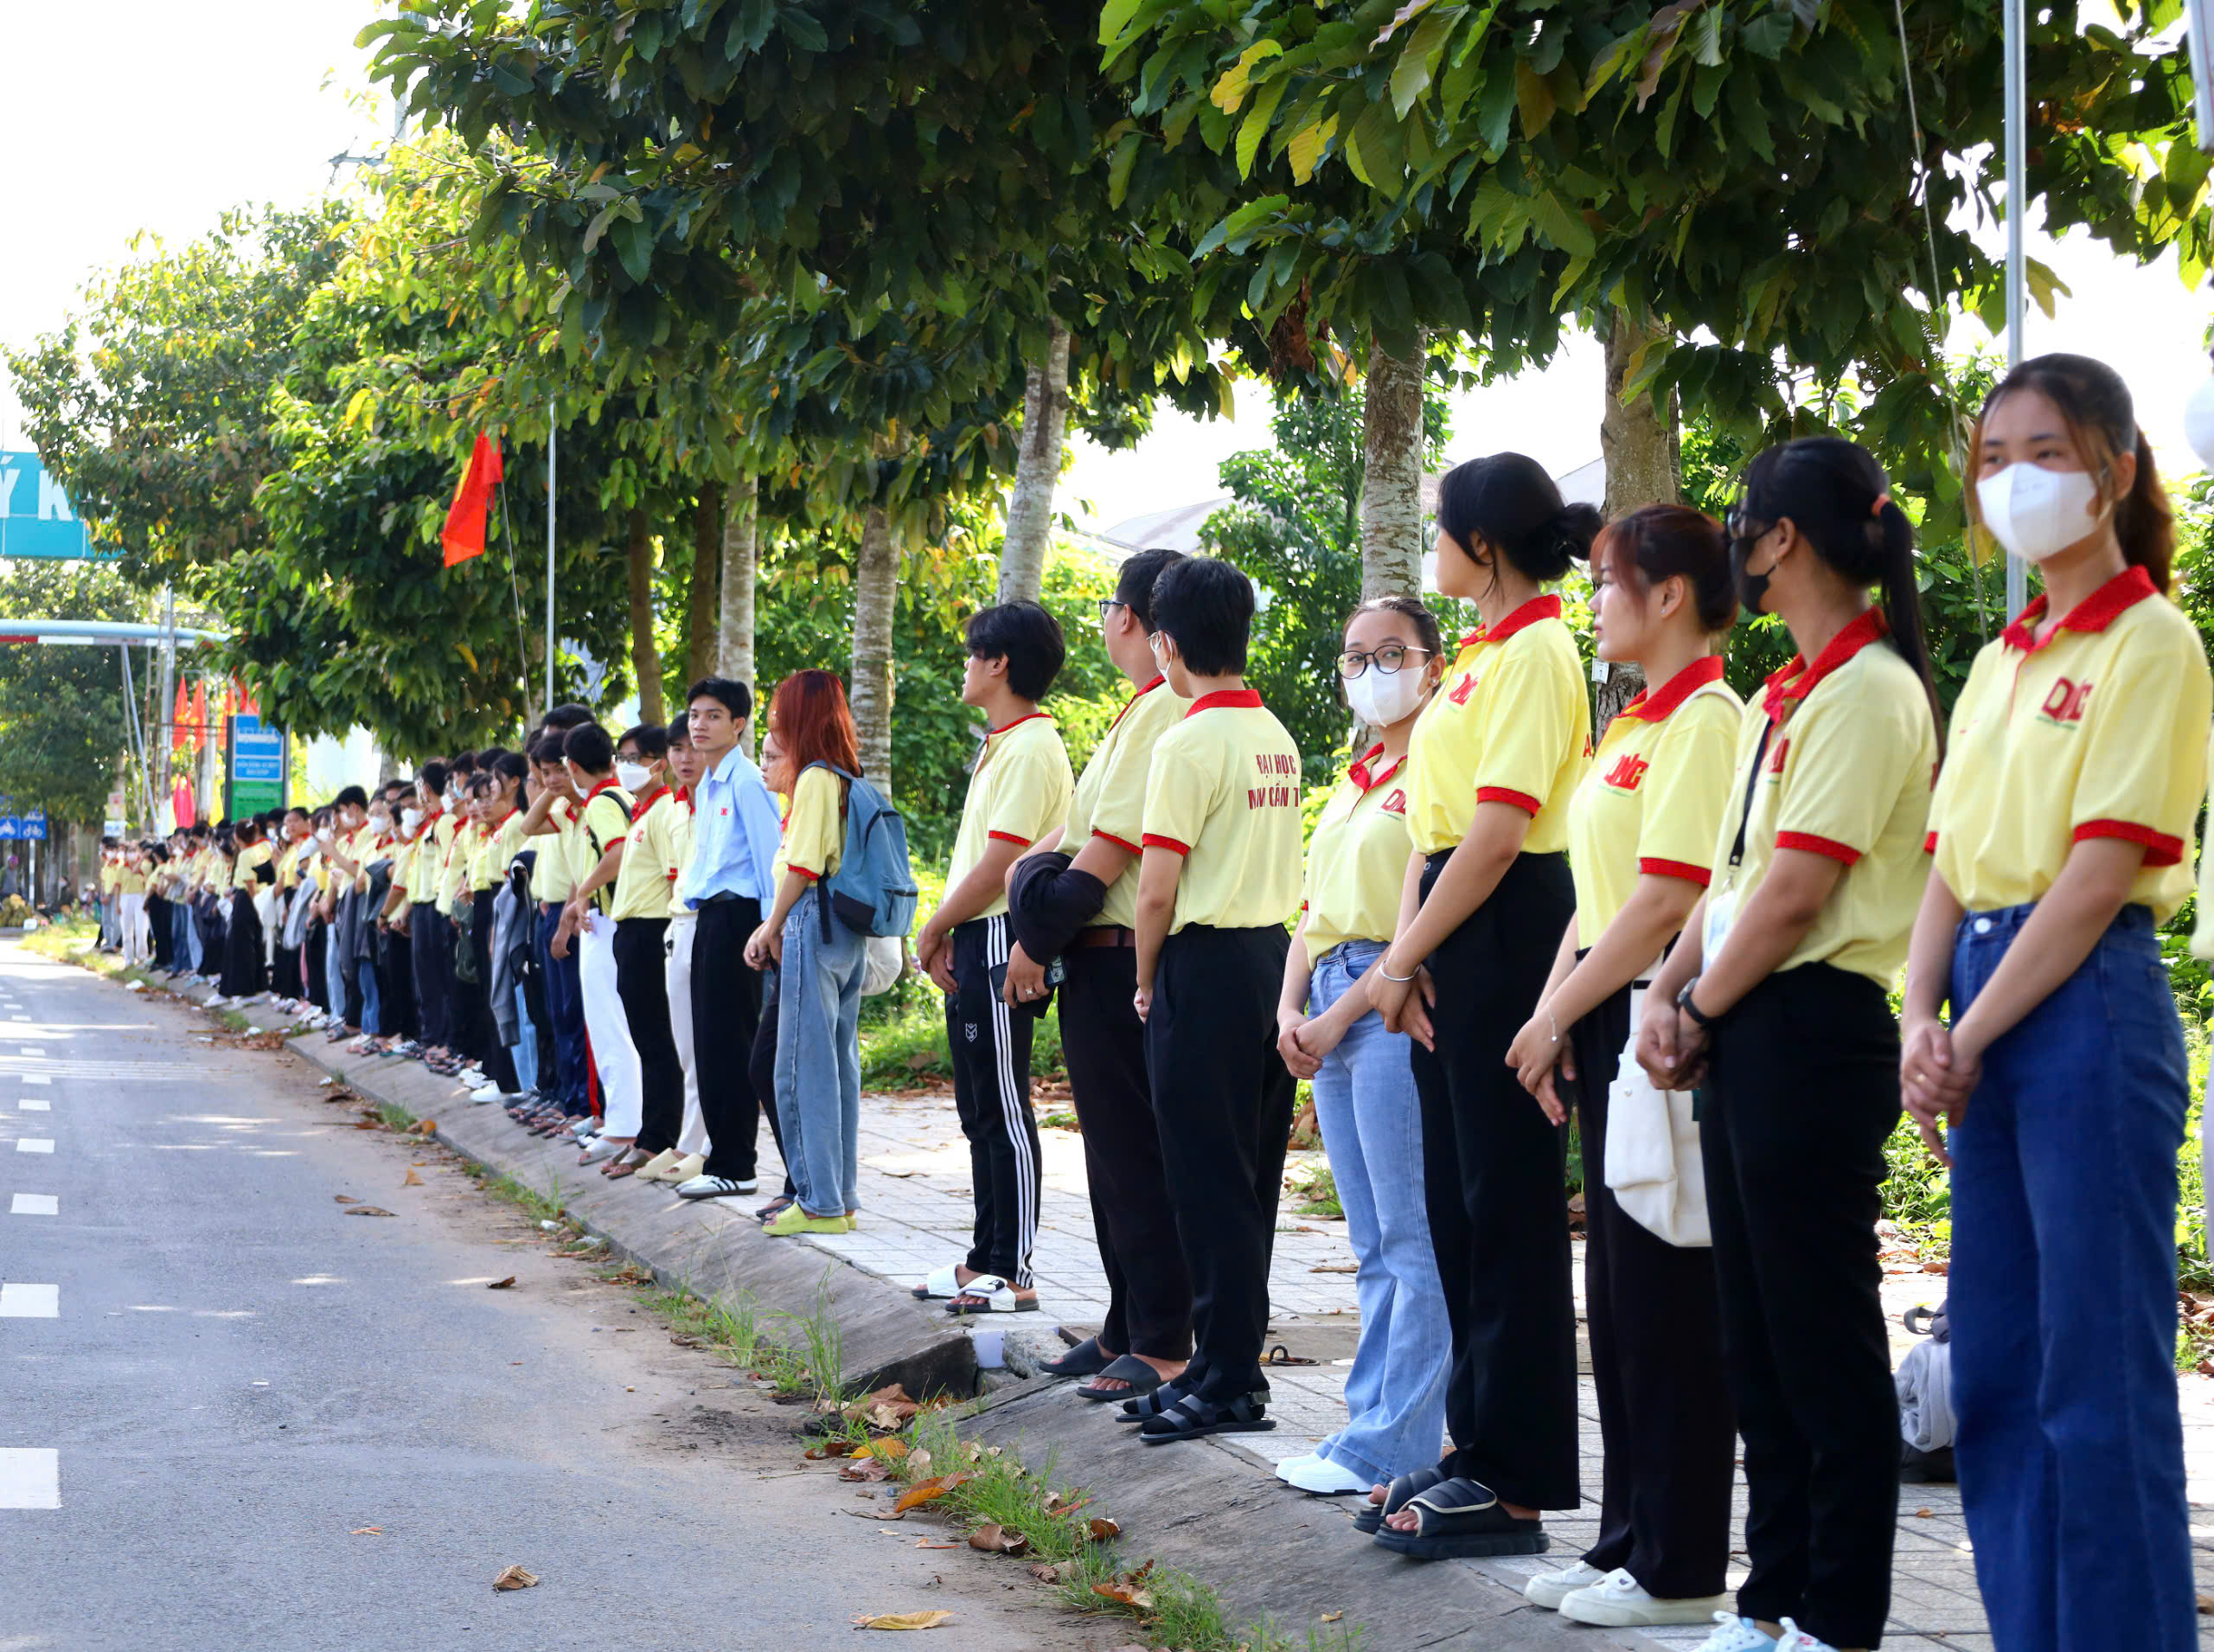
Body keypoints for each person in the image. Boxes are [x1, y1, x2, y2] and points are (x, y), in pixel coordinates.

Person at [1902, 355, 2209, 1652]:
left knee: (2100, 1378)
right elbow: (1948, 860)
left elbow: (2094, 875)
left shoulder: (2153, 643)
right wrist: (1921, 1016)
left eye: (2046, 449)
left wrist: (1963, 1035)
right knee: (2004, 1371)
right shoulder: (1995, 661)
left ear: (2116, 469)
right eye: (1993, 456)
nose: (2015, 477)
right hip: (1977, 987)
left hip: (2082, 998)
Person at [1638, 436, 1941, 1652]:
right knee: (1755, 1336)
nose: (1736, 546)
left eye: (1742, 524)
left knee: (1820, 1339)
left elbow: (1798, 890)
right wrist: (1671, 993)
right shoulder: (1793, 692)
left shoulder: (1871, 690)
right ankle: (1769, 1596)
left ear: (1783, 541)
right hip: (1751, 1021)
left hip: (1814, 1029)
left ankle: (1838, 1611)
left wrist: (1696, 1010)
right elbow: (1731, 879)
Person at [1505, 506, 1743, 1628]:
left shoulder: (1707, 717)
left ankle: (1683, 1563)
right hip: (1605, 1010)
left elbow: (1664, 899)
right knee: (1618, 1295)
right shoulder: (1631, 723)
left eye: (1611, 581)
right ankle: (1627, 1539)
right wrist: (1553, 1013)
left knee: (1668, 1302)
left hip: (1661, 1016)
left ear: (1674, 595)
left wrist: (1564, 1013)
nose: (1596, 599)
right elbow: (1598, 898)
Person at [1366, 453, 1596, 1557]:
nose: (1431, 545)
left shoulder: (1542, 650)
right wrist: (1416, 953)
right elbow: (1436, 825)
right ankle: (1473, 1446)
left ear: (1485, 545)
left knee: (1505, 1210)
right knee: (1458, 1209)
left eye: (1440, 528)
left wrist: (1401, 959)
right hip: (1456, 919)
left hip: (1505, 921)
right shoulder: (1480, 658)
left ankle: (1518, 1480)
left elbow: (1501, 834)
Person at [1272, 596, 1451, 1497]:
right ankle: (1368, 1424)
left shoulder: (1439, 767)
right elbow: (1313, 907)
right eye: (1355, 657)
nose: (1374, 672)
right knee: (1371, 1237)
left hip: (1385, 1000)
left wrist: (1337, 1016)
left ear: (1433, 661)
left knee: (1409, 1233)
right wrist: (1288, 1005)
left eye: (1392, 653)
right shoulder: (1355, 775)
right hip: (1328, 994)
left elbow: (1414, 910)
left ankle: (1398, 1441)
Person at [1123, 554, 1302, 1444]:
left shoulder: (1186, 740)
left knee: (1204, 1182)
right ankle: (1220, 1360)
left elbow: (1155, 890)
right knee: (1250, 1176)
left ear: (1166, 642)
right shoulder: (1273, 732)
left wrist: (1147, 976)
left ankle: (1229, 1375)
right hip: (1269, 958)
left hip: (1202, 963)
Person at [1008, 548, 1195, 1401]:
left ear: (1127, 617)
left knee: (1136, 1155)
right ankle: (1127, 1320)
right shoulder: (1140, 709)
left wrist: (1033, 937)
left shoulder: (1163, 710)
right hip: (1097, 956)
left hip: (1119, 952)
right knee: (1113, 1157)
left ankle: (1160, 1338)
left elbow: (1107, 856)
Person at [912, 602, 1074, 1316]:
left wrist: (933, 927)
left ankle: (1016, 1269)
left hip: (1002, 936)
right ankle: (985, 1257)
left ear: (999, 662)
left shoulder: (1036, 744)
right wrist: (950, 929)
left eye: (973, 654)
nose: (966, 666)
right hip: (975, 936)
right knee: (979, 1105)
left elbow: (1003, 858)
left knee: (1005, 1105)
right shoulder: (1001, 743)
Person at [744, 671, 867, 1235]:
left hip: (812, 925)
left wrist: (770, 926)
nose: (774, 719)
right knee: (837, 1066)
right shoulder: (845, 775)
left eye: (780, 710)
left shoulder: (817, 778)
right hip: (845, 931)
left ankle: (817, 1201)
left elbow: (803, 864)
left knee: (800, 1068)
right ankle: (838, 1198)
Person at [677, 676, 785, 1201]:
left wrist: (771, 930)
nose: (700, 724)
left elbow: (771, 860)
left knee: (733, 1041)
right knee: (709, 1042)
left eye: (713, 715)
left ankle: (738, 1163)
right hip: (710, 919)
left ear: (739, 724)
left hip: (742, 919)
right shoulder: (712, 780)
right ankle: (722, 1158)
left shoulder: (746, 780)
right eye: (695, 714)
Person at [598, 724, 683, 1178]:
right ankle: (651, 1134)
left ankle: (659, 1138)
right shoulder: (641, 811)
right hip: (629, 930)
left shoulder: (666, 810)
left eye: (635, 758)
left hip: (653, 931)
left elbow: (675, 879)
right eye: (622, 758)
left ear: (658, 762)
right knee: (645, 1039)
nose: (626, 767)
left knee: (657, 1041)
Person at [555, 724, 638, 1161]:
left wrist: (582, 893)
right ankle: (628, 1123)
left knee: (609, 1027)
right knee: (620, 1026)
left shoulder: (603, 803)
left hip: (605, 924)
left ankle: (623, 1126)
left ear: (571, 766)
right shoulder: (623, 796)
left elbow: (618, 852)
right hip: (617, 921)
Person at [642, 716, 711, 1187]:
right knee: (684, 1043)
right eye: (676, 749)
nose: (685, 758)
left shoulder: (719, 799)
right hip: (678, 925)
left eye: (692, 747)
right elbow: (674, 876)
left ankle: (703, 1146)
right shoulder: (672, 808)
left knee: (711, 1044)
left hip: (712, 926)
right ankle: (690, 1140)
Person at [219, 818, 272, 1002]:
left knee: (241, 946)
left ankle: (243, 989)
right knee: (255, 943)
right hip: (260, 897)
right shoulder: (264, 849)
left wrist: (256, 904)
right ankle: (259, 985)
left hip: (248, 900)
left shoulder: (245, 855)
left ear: (237, 836)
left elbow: (250, 883)